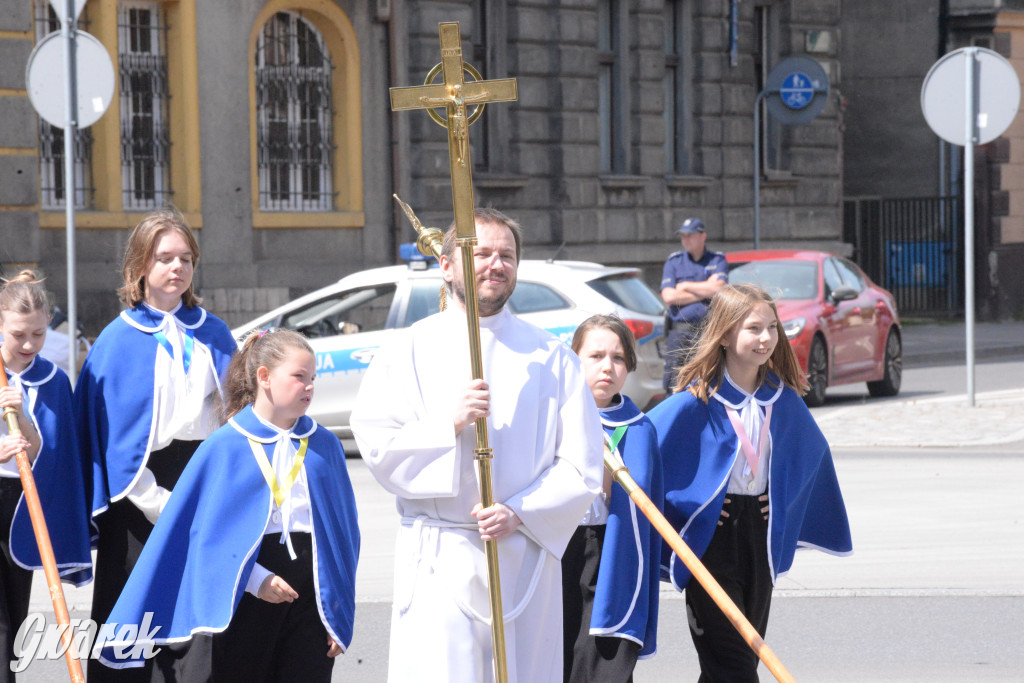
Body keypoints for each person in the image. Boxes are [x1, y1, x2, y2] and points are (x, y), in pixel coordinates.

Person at [350, 207, 605, 682]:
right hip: (439, 556)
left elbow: (581, 465)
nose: (495, 264)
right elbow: (378, 445)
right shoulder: (408, 350)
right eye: (481, 253)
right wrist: (447, 422)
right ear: (446, 266)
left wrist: (521, 511)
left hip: (523, 553)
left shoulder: (550, 357)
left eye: (506, 255)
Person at [98, 329, 359, 682]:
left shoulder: (324, 445)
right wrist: (256, 579)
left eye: (313, 378)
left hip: (311, 589)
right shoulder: (224, 446)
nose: (309, 386)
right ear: (264, 377)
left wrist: (337, 612)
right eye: (299, 377)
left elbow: (344, 538)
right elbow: (205, 537)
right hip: (243, 588)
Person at [647, 284, 852, 682]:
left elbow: (813, 456)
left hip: (760, 536)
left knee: (738, 659)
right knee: (734, 665)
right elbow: (645, 450)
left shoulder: (784, 399)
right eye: (753, 328)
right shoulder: (697, 400)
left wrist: (782, 501)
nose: (766, 339)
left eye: (772, 328)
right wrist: (695, 504)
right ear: (724, 335)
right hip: (712, 538)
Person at [74, 211, 237, 681]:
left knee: (195, 623)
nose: (177, 268)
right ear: (139, 266)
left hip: (199, 480)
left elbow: (234, 417)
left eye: (186, 258)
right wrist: (154, 500)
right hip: (136, 492)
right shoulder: (117, 340)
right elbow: (109, 438)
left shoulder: (214, 333)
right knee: (132, 622)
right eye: (164, 257)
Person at [0, 271, 92, 681]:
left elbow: (52, 453)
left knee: (14, 614)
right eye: (18, 334)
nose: (28, 345)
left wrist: (20, 418)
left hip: (20, 505)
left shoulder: (52, 380)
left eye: (37, 334)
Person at [562, 315, 662, 683]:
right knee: (559, 655)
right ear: (573, 359)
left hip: (613, 552)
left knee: (607, 661)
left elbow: (649, 505)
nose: (608, 367)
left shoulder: (637, 428)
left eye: (618, 358)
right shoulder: (554, 419)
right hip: (559, 547)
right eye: (596, 356)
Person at [659, 217, 728, 393]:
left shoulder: (717, 260)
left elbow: (719, 290)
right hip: (680, 331)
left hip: (707, 330)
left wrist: (685, 286)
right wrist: (706, 287)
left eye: (690, 235)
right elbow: (669, 296)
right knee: (674, 382)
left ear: (702, 236)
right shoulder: (674, 262)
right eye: (683, 236)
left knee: (708, 379)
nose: (686, 240)